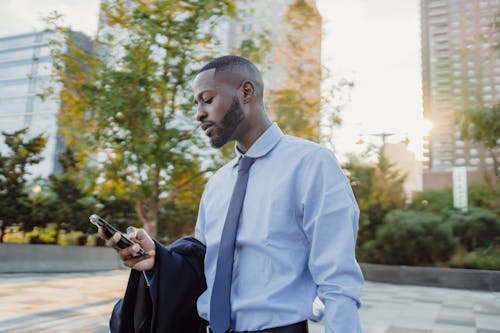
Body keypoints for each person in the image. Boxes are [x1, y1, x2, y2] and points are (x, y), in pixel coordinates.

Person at [101, 55, 364, 333]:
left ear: (246, 92)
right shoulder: (217, 184)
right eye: (196, 103)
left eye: (208, 99)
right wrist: (157, 261)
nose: (199, 113)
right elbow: (203, 271)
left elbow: (337, 279)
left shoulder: (311, 164)